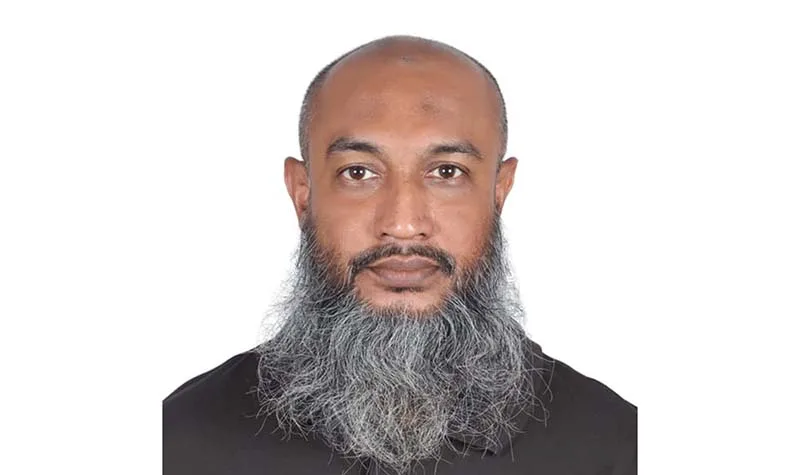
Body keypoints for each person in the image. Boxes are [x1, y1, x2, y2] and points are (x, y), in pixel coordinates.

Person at [163, 35, 637, 475]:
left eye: (447, 172)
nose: (404, 223)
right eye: (358, 173)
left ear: (499, 190)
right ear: (303, 194)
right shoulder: (180, 442)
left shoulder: (616, 448)